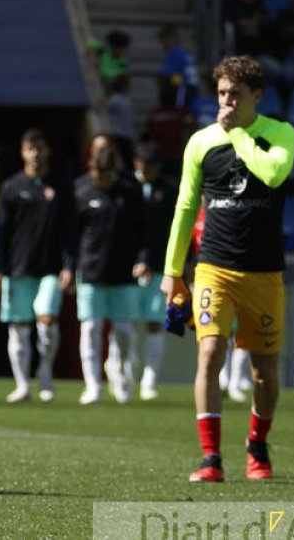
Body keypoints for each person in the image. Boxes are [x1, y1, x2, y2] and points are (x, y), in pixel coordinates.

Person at [161, 56, 294, 482]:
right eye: (221, 94)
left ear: (257, 95)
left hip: (263, 272)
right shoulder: (200, 142)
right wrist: (173, 269)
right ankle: (210, 458)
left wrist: (239, 137)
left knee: (264, 371)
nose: (227, 101)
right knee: (209, 352)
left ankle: (257, 444)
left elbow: (273, 174)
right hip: (213, 267)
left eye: (235, 94)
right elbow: (185, 206)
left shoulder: (279, 134)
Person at [0, 128, 71, 404]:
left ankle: (44, 373)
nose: (35, 154)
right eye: (30, 149)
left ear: (47, 151)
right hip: (17, 270)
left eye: (39, 148)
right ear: (23, 152)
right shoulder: (11, 187)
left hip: (49, 270)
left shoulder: (60, 186)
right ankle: (23, 384)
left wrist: (69, 266)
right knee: (20, 328)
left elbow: (68, 231)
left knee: (47, 325)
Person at [72, 145, 144, 405]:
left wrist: (143, 260)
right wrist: (69, 267)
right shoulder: (80, 189)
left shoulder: (131, 191)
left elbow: (143, 229)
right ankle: (92, 386)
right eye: (97, 174)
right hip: (90, 272)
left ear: (116, 171)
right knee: (91, 329)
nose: (101, 180)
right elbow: (71, 234)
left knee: (124, 332)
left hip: (124, 274)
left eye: (106, 175)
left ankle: (120, 374)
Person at [133, 143, 178, 400]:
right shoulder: (127, 189)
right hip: (127, 269)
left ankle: (149, 380)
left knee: (154, 323)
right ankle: (123, 372)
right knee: (124, 325)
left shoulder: (169, 191)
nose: (143, 170)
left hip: (160, 267)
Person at [158, 25, 201, 109]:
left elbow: (164, 75)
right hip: (193, 89)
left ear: (173, 38)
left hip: (183, 90)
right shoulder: (185, 53)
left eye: (164, 41)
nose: (163, 45)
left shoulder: (174, 52)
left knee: (179, 112)